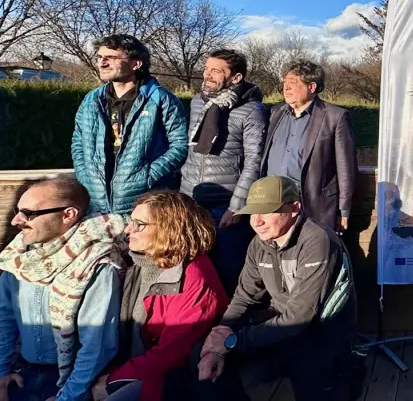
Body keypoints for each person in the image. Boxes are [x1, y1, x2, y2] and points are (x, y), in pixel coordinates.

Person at [194, 176, 357, 401]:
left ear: (295, 208)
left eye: (267, 211)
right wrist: (216, 343)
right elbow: (244, 296)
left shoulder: (317, 241)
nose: (257, 221)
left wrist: (233, 341)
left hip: (319, 334)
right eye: (252, 212)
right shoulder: (260, 243)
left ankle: (344, 373)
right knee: (200, 357)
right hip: (279, 328)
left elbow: (301, 316)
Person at [94, 192, 229, 401]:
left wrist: (113, 380)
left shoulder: (194, 277)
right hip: (128, 365)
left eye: (139, 224)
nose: (128, 229)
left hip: (164, 381)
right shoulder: (138, 261)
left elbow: (171, 354)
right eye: (131, 221)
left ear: (169, 228)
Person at [0, 178, 126, 401]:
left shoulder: (96, 264)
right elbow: (5, 318)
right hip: (22, 375)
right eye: (17, 211)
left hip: (70, 384)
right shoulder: (18, 258)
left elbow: (97, 346)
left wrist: (68, 397)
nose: (16, 221)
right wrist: (2, 371)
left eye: (29, 213)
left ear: (68, 215)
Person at [180, 49, 268, 292]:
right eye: (206, 69)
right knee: (193, 271)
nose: (207, 75)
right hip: (192, 202)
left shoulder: (252, 111)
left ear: (236, 78)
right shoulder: (198, 102)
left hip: (225, 207)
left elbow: (254, 161)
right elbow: (191, 152)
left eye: (216, 71)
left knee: (228, 273)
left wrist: (237, 206)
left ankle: (227, 327)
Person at [71, 34, 189, 215]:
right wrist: (84, 175)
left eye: (110, 58)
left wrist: (147, 176)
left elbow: (180, 145)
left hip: (145, 204)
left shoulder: (161, 99)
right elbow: (78, 141)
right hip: (97, 203)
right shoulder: (91, 100)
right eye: (100, 57)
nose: (102, 63)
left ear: (136, 63)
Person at [259, 61, 358, 232]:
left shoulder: (335, 117)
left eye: (293, 82)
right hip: (273, 203)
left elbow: (346, 167)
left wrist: (344, 210)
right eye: (284, 82)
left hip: (312, 205)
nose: (286, 87)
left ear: (311, 87)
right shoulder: (275, 113)